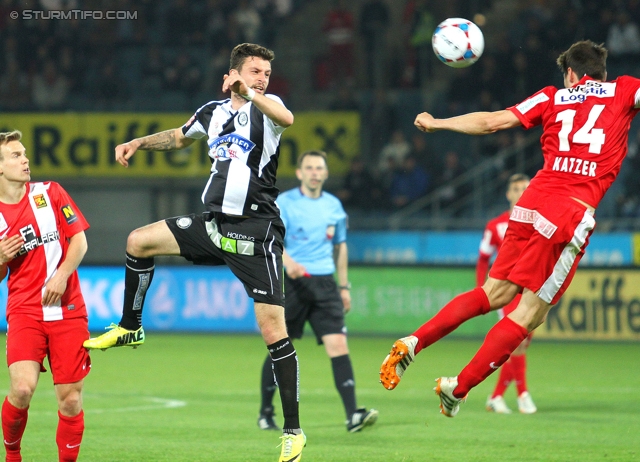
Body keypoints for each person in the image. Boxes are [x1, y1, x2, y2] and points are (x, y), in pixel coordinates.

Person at [380, 40, 640, 418]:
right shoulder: (624, 89)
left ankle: (414, 341)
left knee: (494, 292)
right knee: (529, 314)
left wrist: (438, 122)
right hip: (570, 212)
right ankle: (459, 387)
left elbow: (490, 122)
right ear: (600, 71)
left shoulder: (553, 97)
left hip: (530, 203)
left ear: (570, 73)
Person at [82, 43, 305, 461]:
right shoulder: (212, 112)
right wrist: (137, 142)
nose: (262, 78)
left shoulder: (267, 107)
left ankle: (293, 432)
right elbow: (179, 138)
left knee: (274, 333)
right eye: (254, 71)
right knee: (137, 240)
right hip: (214, 224)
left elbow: (287, 118)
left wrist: (253, 92)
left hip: (257, 232)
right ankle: (132, 325)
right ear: (232, 74)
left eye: (266, 73)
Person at [257, 150, 378, 433]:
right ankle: (265, 412)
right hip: (295, 284)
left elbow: (340, 247)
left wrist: (344, 286)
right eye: (309, 167)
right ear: (300, 173)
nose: (314, 172)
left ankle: (352, 416)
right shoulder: (284, 203)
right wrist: (288, 263)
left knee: (339, 346)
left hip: (325, 284)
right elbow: (270, 239)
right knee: (280, 347)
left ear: (325, 173)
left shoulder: (334, 207)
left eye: (319, 168)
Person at [0, 130, 91, 461]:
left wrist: (62, 275)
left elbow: (79, 241)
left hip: (68, 309)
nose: (25, 160)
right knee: (22, 389)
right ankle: (12, 455)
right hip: (25, 311)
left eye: (24, 154)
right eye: (15, 155)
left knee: (70, 399)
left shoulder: (50, 192)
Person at [477, 173, 537, 415]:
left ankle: (496, 397)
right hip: (507, 291)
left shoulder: (539, 222)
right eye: (516, 188)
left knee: (520, 343)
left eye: (526, 187)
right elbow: (483, 259)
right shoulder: (496, 226)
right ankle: (523, 395)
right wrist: (482, 291)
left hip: (531, 289)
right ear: (508, 194)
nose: (521, 191)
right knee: (518, 340)